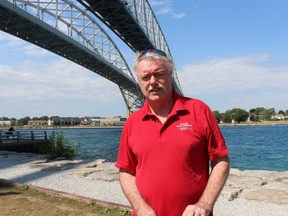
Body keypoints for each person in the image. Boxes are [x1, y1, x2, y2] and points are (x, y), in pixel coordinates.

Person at [115, 48, 230, 216]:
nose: (152, 82)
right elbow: (126, 171)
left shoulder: (198, 110)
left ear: (171, 75)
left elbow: (221, 160)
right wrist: (140, 208)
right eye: (145, 77)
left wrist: (205, 204)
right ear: (139, 82)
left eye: (159, 74)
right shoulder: (133, 122)